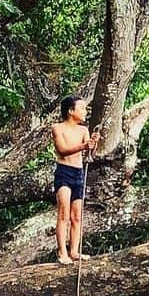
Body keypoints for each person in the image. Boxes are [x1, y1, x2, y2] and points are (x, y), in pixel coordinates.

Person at [52, 95, 100, 265]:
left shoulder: (83, 130)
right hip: (64, 172)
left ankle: (74, 251)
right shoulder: (57, 128)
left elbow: (90, 154)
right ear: (71, 111)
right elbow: (63, 150)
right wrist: (83, 146)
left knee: (77, 216)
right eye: (82, 108)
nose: (85, 111)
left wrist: (94, 144)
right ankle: (62, 252)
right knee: (64, 213)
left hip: (79, 172)